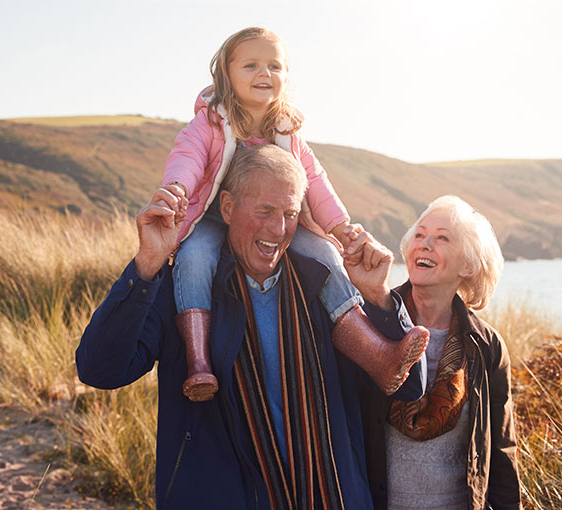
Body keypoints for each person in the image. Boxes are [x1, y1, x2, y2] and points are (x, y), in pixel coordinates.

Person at [76, 144, 429, 509]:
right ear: (226, 207)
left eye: (290, 213)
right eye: (265, 211)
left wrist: (379, 298)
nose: (278, 229)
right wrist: (147, 263)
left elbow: (408, 387)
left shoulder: (326, 287)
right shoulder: (183, 291)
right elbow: (99, 370)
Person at [160, 26, 411, 402]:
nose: (264, 74)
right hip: (211, 216)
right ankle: (199, 362)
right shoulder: (211, 122)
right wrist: (176, 189)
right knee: (195, 258)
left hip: (276, 217)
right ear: (226, 73)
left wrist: (341, 228)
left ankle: (376, 354)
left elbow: (315, 180)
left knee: (326, 256)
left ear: (286, 76)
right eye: (251, 65)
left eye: (275, 66)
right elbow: (188, 157)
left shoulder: (288, 130)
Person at [350, 196, 522, 510]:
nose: (425, 244)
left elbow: (502, 452)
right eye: (419, 235)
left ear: (468, 264)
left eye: (442, 238)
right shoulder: (369, 323)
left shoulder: (487, 347)